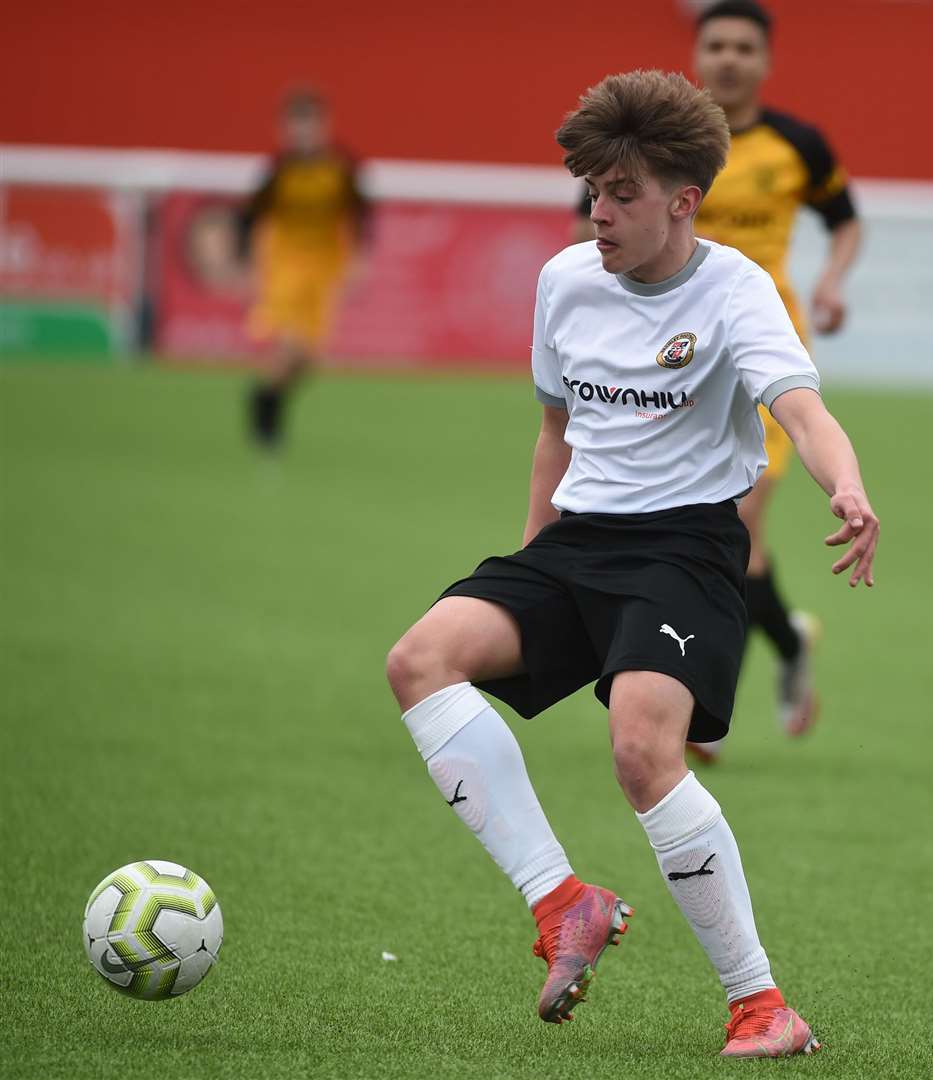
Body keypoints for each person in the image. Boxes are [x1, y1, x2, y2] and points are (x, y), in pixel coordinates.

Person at [386, 69, 879, 1057]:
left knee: (640, 749)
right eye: (590, 192)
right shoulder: (564, 281)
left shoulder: (737, 290)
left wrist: (846, 486)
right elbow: (553, 434)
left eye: (620, 195)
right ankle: (561, 901)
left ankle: (761, 1007)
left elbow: (801, 411)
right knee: (419, 660)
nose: (598, 214)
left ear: (680, 202)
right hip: (575, 543)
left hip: (688, 547)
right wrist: (526, 566)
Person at [575, 0, 862, 760]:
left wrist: (831, 281)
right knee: (703, 525)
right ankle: (787, 640)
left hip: (758, 354)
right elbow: (596, 227)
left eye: (744, 46)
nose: (730, 58)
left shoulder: (797, 144)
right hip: (665, 358)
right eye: (717, 45)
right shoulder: (652, 143)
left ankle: (698, 700)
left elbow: (845, 219)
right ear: (696, 56)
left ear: (765, 60)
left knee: (733, 526)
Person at [238, 88, 368, 450]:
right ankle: (266, 415)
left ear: (323, 126)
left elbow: (359, 214)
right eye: (296, 125)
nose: (303, 133)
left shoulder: (341, 169)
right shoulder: (277, 171)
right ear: (285, 129)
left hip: (323, 269)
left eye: (309, 124)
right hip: (283, 265)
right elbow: (250, 218)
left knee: (309, 357)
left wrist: (358, 258)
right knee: (291, 343)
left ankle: (266, 394)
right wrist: (248, 261)